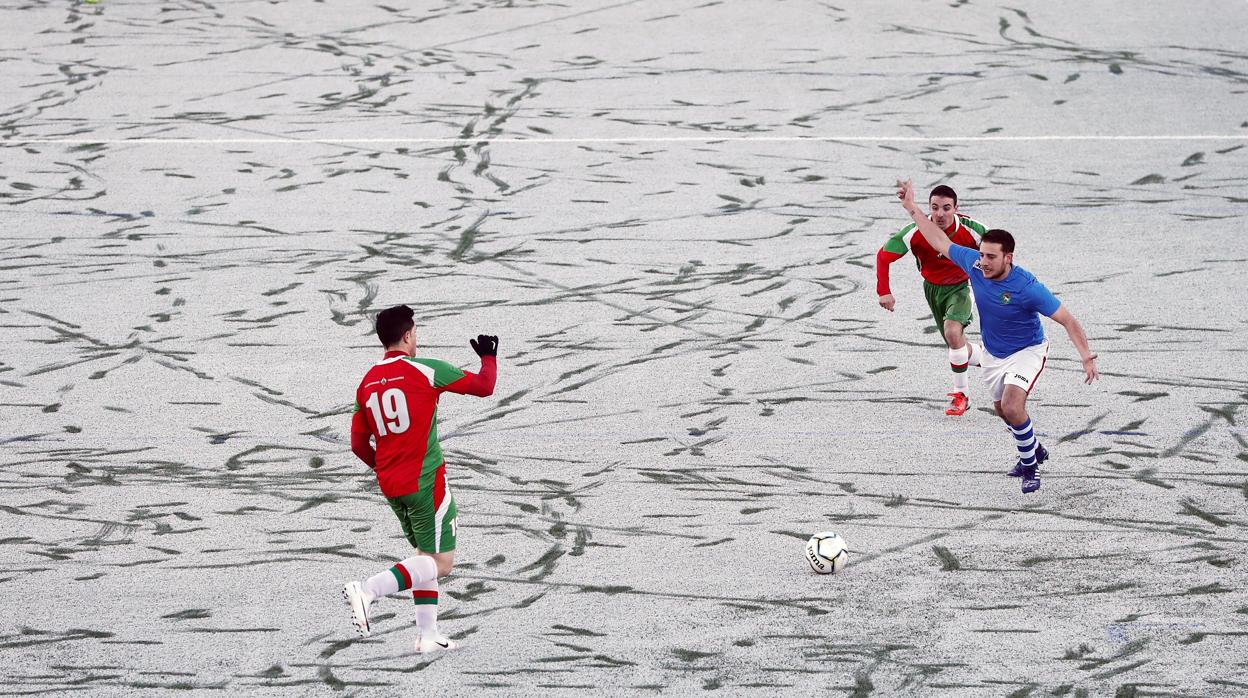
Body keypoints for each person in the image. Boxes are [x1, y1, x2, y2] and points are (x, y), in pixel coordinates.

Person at [895, 178, 1099, 493]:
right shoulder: (975, 264)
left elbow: (1068, 320)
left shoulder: (1027, 287)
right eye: (982, 255)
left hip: (1026, 351)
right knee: (1004, 411)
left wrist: (1085, 356)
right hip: (993, 353)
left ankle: (1030, 467)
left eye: (992, 257)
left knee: (1014, 405)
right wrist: (912, 209)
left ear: (1009, 258)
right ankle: (1035, 448)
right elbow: (936, 238)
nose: (984, 262)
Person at [342, 304, 498, 653]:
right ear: (408, 335)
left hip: (391, 485)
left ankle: (428, 635)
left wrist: (383, 468)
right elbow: (485, 387)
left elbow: (357, 443)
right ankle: (369, 590)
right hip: (426, 481)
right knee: (440, 563)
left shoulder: (366, 383)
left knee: (423, 555)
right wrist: (488, 357)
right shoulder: (425, 370)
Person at [876, 184, 987, 415]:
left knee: (952, 332)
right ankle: (995, 363)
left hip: (963, 286)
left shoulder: (975, 230)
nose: (940, 214)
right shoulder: (914, 231)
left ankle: (962, 395)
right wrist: (883, 290)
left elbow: (999, 258)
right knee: (956, 345)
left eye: (947, 208)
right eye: (935, 208)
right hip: (933, 290)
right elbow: (883, 256)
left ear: (956, 208)